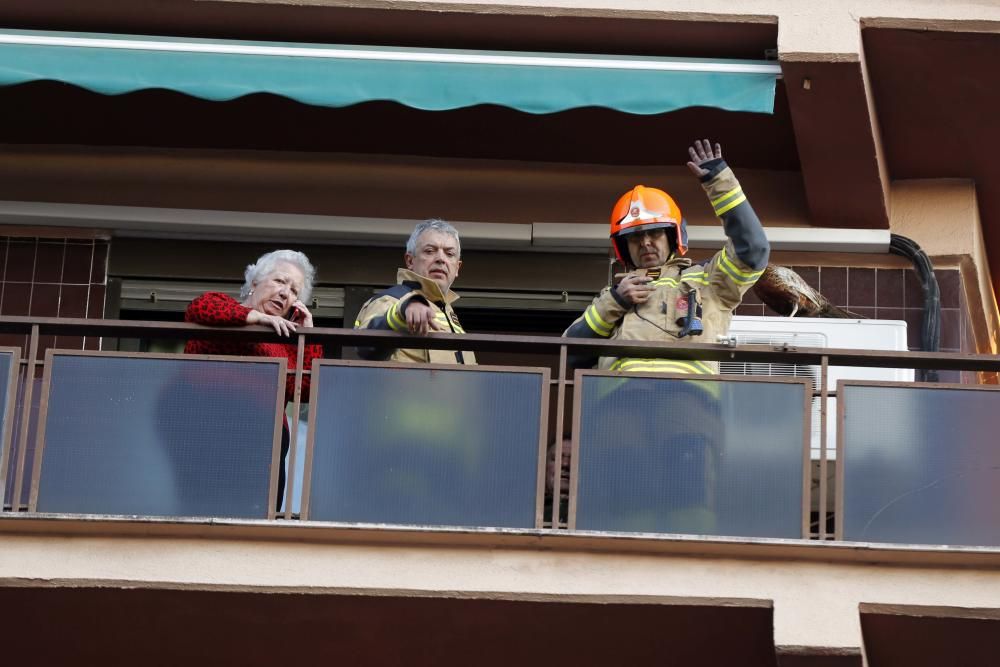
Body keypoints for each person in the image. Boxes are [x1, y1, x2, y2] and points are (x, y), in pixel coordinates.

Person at [564, 139, 770, 373]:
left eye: (655, 233)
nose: (645, 243)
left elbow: (754, 249)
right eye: (634, 237)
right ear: (623, 246)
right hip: (620, 403)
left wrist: (718, 181)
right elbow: (569, 354)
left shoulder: (709, 280)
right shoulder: (613, 296)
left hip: (690, 401)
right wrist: (615, 301)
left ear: (673, 236)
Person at [183, 249, 322, 510]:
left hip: (264, 446)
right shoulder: (225, 311)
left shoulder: (285, 345)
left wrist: (308, 335)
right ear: (255, 282)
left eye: (294, 291)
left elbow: (305, 389)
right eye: (280, 281)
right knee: (203, 513)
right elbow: (199, 307)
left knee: (255, 521)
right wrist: (257, 318)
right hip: (208, 428)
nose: (285, 293)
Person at [355, 219, 476, 365]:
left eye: (449, 254)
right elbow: (364, 346)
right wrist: (402, 310)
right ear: (410, 261)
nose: (441, 259)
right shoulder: (392, 299)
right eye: (430, 251)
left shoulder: (448, 311)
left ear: (457, 267)